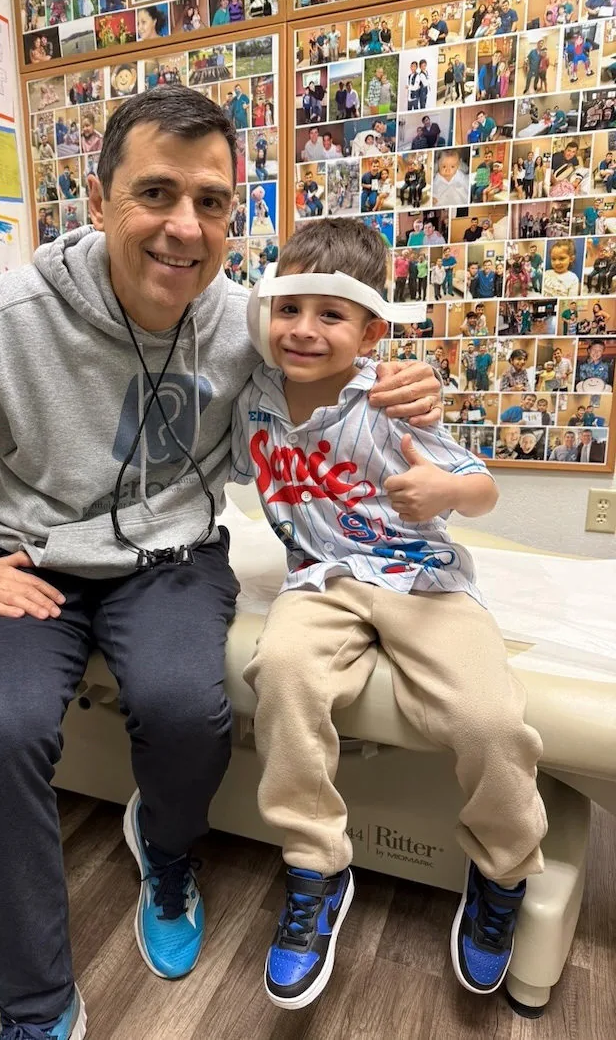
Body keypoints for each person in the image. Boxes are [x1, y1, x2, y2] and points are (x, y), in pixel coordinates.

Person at [0, 87, 442, 1039]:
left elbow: (327, 369)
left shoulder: (243, 320)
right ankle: (36, 1007)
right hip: (31, 557)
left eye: (212, 204)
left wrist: (399, 383)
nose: (184, 229)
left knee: (186, 705)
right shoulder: (5, 325)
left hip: (171, 556)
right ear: (98, 195)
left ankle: (166, 852)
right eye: (156, 192)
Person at [230, 217, 546, 1010]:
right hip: (321, 577)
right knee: (282, 675)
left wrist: (444, 492)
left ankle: (502, 868)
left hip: (420, 575)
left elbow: (481, 487)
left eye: (331, 314)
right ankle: (316, 865)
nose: (303, 329)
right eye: (289, 307)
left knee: (490, 718)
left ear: (370, 328)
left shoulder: (394, 393)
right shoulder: (252, 397)